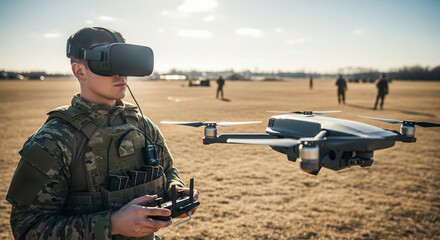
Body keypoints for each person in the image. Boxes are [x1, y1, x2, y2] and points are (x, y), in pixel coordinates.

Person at [6, 27, 199, 240]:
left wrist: (175, 189)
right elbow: (27, 228)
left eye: (123, 62)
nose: (120, 73)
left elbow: (168, 170)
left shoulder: (142, 125)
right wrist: (111, 224)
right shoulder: (54, 140)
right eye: (107, 63)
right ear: (79, 71)